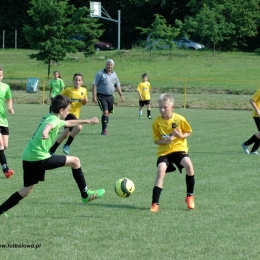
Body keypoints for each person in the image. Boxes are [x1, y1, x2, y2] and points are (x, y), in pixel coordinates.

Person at [0, 95, 105, 218]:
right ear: (61, 110)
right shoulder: (53, 120)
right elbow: (49, 126)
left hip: (28, 156)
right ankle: (85, 194)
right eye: (68, 109)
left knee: (26, 190)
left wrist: (88, 121)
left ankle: (1, 209)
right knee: (75, 161)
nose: (69, 111)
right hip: (39, 158)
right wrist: (45, 131)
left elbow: (68, 122)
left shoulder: (50, 116)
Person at [150, 93, 195, 212]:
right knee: (161, 170)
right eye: (160, 107)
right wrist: (166, 140)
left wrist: (181, 135)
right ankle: (155, 203)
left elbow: (188, 132)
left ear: (172, 107)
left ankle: (190, 196)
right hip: (164, 152)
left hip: (179, 149)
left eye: (165, 107)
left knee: (189, 165)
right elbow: (156, 141)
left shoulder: (179, 119)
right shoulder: (156, 122)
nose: (162, 110)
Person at [49, 73, 88, 155]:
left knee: (65, 134)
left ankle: (52, 149)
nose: (77, 82)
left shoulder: (84, 90)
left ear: (82, 82)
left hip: (76, 115)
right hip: (68, 113)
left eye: (79, 80)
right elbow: (58, 97)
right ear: (73, 81)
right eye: (76, 80)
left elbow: (84, 101)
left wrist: (85, 101)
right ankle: (67, 145)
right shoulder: (68, 90)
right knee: (79, 126)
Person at [92, 59, 124, 135]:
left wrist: (121, 95)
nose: (109, 66)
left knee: (108, 113)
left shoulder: (114, 74)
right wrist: (94, 96)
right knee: (105, 112)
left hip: (110, 96)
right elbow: (95, 84)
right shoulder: (100, 73)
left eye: (111, 65)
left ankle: (105, 129)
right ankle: (104, 131)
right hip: (101, 96)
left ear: (113, 66)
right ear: (105, 65)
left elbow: (117, 85)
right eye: (108, 64)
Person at [0, 66, 14, 178]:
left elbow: (9, 98)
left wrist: (10, 107)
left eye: (0, 75)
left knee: (5, 145)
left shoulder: (6, 87)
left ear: (2, 76)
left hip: (3, 119)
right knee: (0, 144)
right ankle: (6, 170)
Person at [242, 90, 260, 155]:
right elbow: (251, 100)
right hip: (257, 115)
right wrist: (258, 110)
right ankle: (246, 144)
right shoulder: (259, 91)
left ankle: (254, 150)